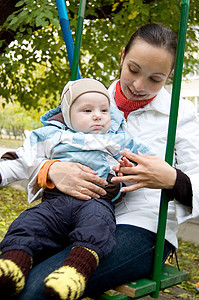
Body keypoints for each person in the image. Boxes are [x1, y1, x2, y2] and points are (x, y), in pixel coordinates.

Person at [1, 23, 199, 300]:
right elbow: (40, 149)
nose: (139, 86)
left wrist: (172, 179)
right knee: (9, 275)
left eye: (155, 79)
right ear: (122, 57)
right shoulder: (90, 99)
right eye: (133, 70)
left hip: (143, 225)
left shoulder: (183, 115)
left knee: (37, 290)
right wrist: (51, 169)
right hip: (72, 213)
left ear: (171, 75)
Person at [0, 78, 153, 299]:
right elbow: (23, 159)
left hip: (96, 202)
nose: (98, 115)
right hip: (55, 204)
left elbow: (148, 163)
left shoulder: (118, 141)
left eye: (104, 110)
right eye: (87, 110)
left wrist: (127, 172)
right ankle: (13, 264)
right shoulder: (53, 136)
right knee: (29, 221)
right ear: (68, 114)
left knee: (99, 225)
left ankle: (74, 273)